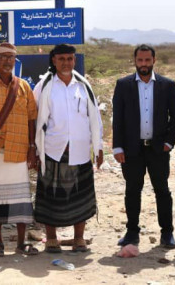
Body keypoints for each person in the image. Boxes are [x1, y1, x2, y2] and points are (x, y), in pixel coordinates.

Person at [33, 44, 104, 253]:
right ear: (54, 60)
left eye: (70, 59)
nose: (66, 63)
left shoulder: (83, 85)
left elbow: (95, 117)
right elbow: (34, 118)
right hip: (53, 149)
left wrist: (98, 147)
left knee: (81, 197)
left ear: (74, 60)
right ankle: (51, 238)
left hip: (80, 150)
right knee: (50, 197)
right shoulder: (44, 86)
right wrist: (35, 149)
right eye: (62, 59)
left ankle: (79, 238)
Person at [112, 44, 175, 248]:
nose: (144, 64)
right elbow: (118, 118)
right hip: (132, 149)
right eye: (140, 60)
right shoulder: (123, 85)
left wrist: (169, 142)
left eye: (147, 60)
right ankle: (132, 232)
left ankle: (167, 233)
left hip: (158, 149)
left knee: (162, 190)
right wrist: (117, 147)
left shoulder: (167, 85)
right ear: (135, 61)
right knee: (132, 190)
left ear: (154, 61)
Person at [0, 42, 39, 257]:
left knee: (21, 200)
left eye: (10, 57)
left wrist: (32, 148)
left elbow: (31, 119)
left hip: (20, 150)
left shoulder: (24, 87)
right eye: (2, 57)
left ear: (14, 61)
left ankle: (21, 243)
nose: (7, 61)